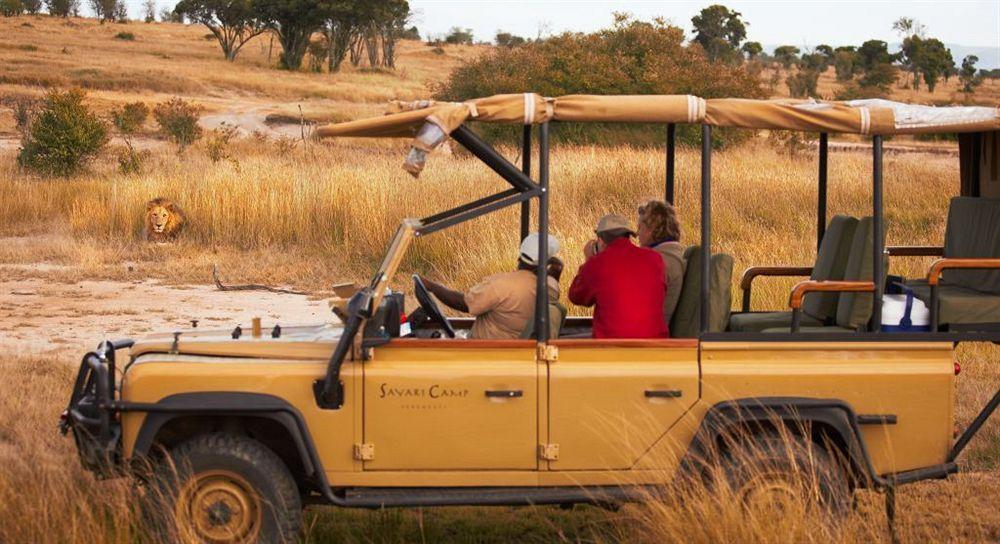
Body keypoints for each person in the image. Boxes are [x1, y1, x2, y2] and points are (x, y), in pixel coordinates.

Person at [419, 234, 561, 339]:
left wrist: (432, 286)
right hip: (513, 351)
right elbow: (553, 278)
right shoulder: (549, 288)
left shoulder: (501, 285)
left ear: (519, 258)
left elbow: (464, 304)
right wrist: (554, 270)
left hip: (485, 352)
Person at [568, 214, 669, 339]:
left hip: (612, 347)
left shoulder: (597, 263)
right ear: (628, 236)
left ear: (601, 241)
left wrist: (588, 260)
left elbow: (575, 296)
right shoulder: (655, 259)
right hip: (655, 345)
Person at [637, 200, 685, 326]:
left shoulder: (662, 261)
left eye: (640, 228)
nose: (637, 234)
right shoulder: (671, 254)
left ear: (651, 229)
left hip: (647, 336)